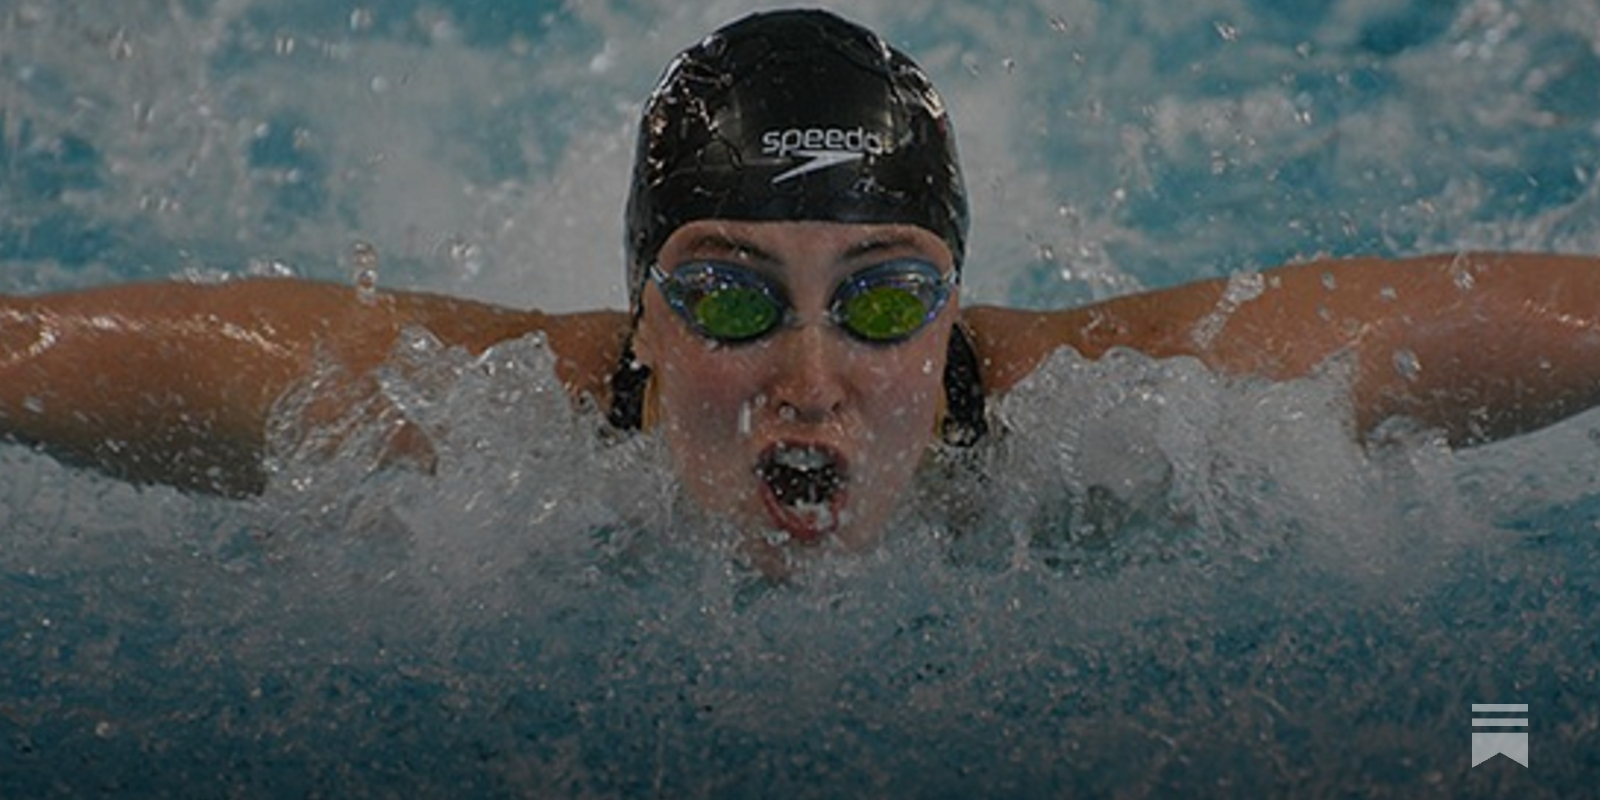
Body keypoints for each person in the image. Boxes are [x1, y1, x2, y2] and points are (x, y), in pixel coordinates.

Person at [4, 9, 1600, 562]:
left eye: (887, 299)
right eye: (729, 297)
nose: (813, 381)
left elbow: (1456, 328)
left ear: (955, 307)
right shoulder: (483, 425)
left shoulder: (1116, 411)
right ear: (642, 315)